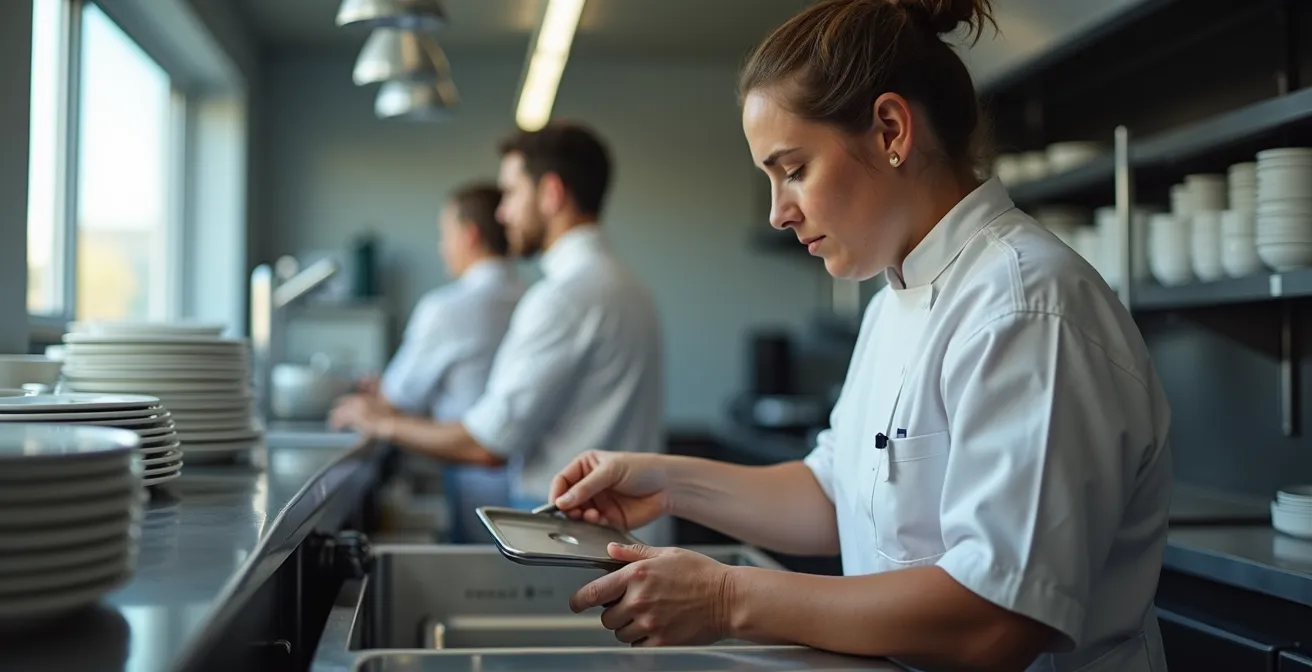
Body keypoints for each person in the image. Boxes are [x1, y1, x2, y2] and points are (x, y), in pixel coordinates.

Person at [546, 1, 1173, 670]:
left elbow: (995, 622)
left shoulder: (1025, 306)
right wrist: (664, 482)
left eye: (794, 170)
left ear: (891, 131)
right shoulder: (893, 303)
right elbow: (836, 496)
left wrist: (728, 598)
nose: (778, 212)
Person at [333, 122, 668, 542]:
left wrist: (381, 423)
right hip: (625, 531)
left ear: (551, 193)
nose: (502, 213)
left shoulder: (562, 298)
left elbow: (488, 444)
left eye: (511, 193)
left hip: (572, 536)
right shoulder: (629, 286)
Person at [331, 183, 524, 542]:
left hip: (475, 481)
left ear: (470, 235)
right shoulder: (530, 297)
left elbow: (394, 399)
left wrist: (367, 405)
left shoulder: (447, 308)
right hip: (526, 490)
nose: (441, 247)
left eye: (445, 234)